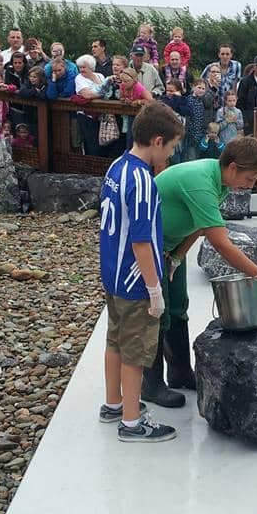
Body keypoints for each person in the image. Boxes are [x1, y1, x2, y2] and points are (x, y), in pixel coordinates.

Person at [142, 136, 257, 407]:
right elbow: (220, 242)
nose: (250, 185)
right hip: (147, 248)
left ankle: (180, 372)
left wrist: (177, 256)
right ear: (232, 168)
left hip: (169, 248)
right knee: (156, 313)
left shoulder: (220, 181)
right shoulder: (201, 183)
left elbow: (201, 224)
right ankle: (151, 384)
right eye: (250, 178)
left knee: (177, 308)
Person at [99, 102, 183, 441]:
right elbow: (141, 241)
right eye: (174, 146)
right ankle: (132, 423)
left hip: (112, 275)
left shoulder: (117, 167)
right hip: (135, 282)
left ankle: (113, 404)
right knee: (135, 352)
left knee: (114, 340)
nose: (173, 154)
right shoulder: (143, 180)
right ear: (158, 141)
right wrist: (155, 289)